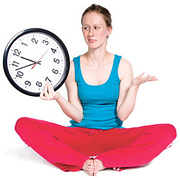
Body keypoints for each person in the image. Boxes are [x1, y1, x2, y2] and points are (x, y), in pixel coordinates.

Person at [15, 4, 176, 176]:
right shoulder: (72, 67)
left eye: (96, 27)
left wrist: (134, 86)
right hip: (78, 136)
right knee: (23, 124)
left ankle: (104, 162)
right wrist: (58, 98)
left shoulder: (123, 66)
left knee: (168, 131)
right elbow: (78, 115)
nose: (91, 33)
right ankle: (81, 162)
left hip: (114, 137)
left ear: (108, 30)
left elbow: (122, 115)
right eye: (86, 27)